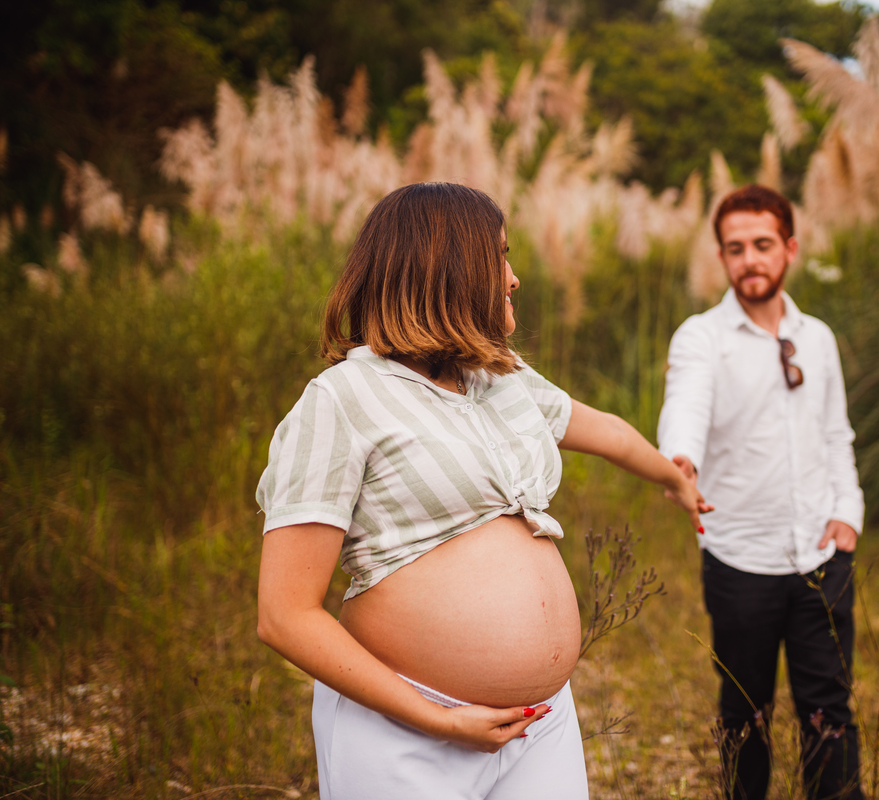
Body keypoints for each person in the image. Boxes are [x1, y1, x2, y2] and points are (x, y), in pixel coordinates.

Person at [255, 182, 711, 800]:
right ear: (445, 269)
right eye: (499, 256)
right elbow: (285, 615)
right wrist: (439, 719)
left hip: (539, 724)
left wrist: (673, 476)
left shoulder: (499, 377)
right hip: (407, 731)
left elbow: (604, 430)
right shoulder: (342, 400)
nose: (514, 277)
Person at [657, 185, 865, 800]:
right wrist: (680, 463)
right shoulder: (701, 338)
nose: (750, 259)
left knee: (829, 713)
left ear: (790, 249)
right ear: (722, 257)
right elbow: (685, 409)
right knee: (744, 716)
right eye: (736, 248)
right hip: (739, 559)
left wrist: (847, 513)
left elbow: (836, 434)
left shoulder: (819, 337)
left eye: (763, 245)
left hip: (822, 559)